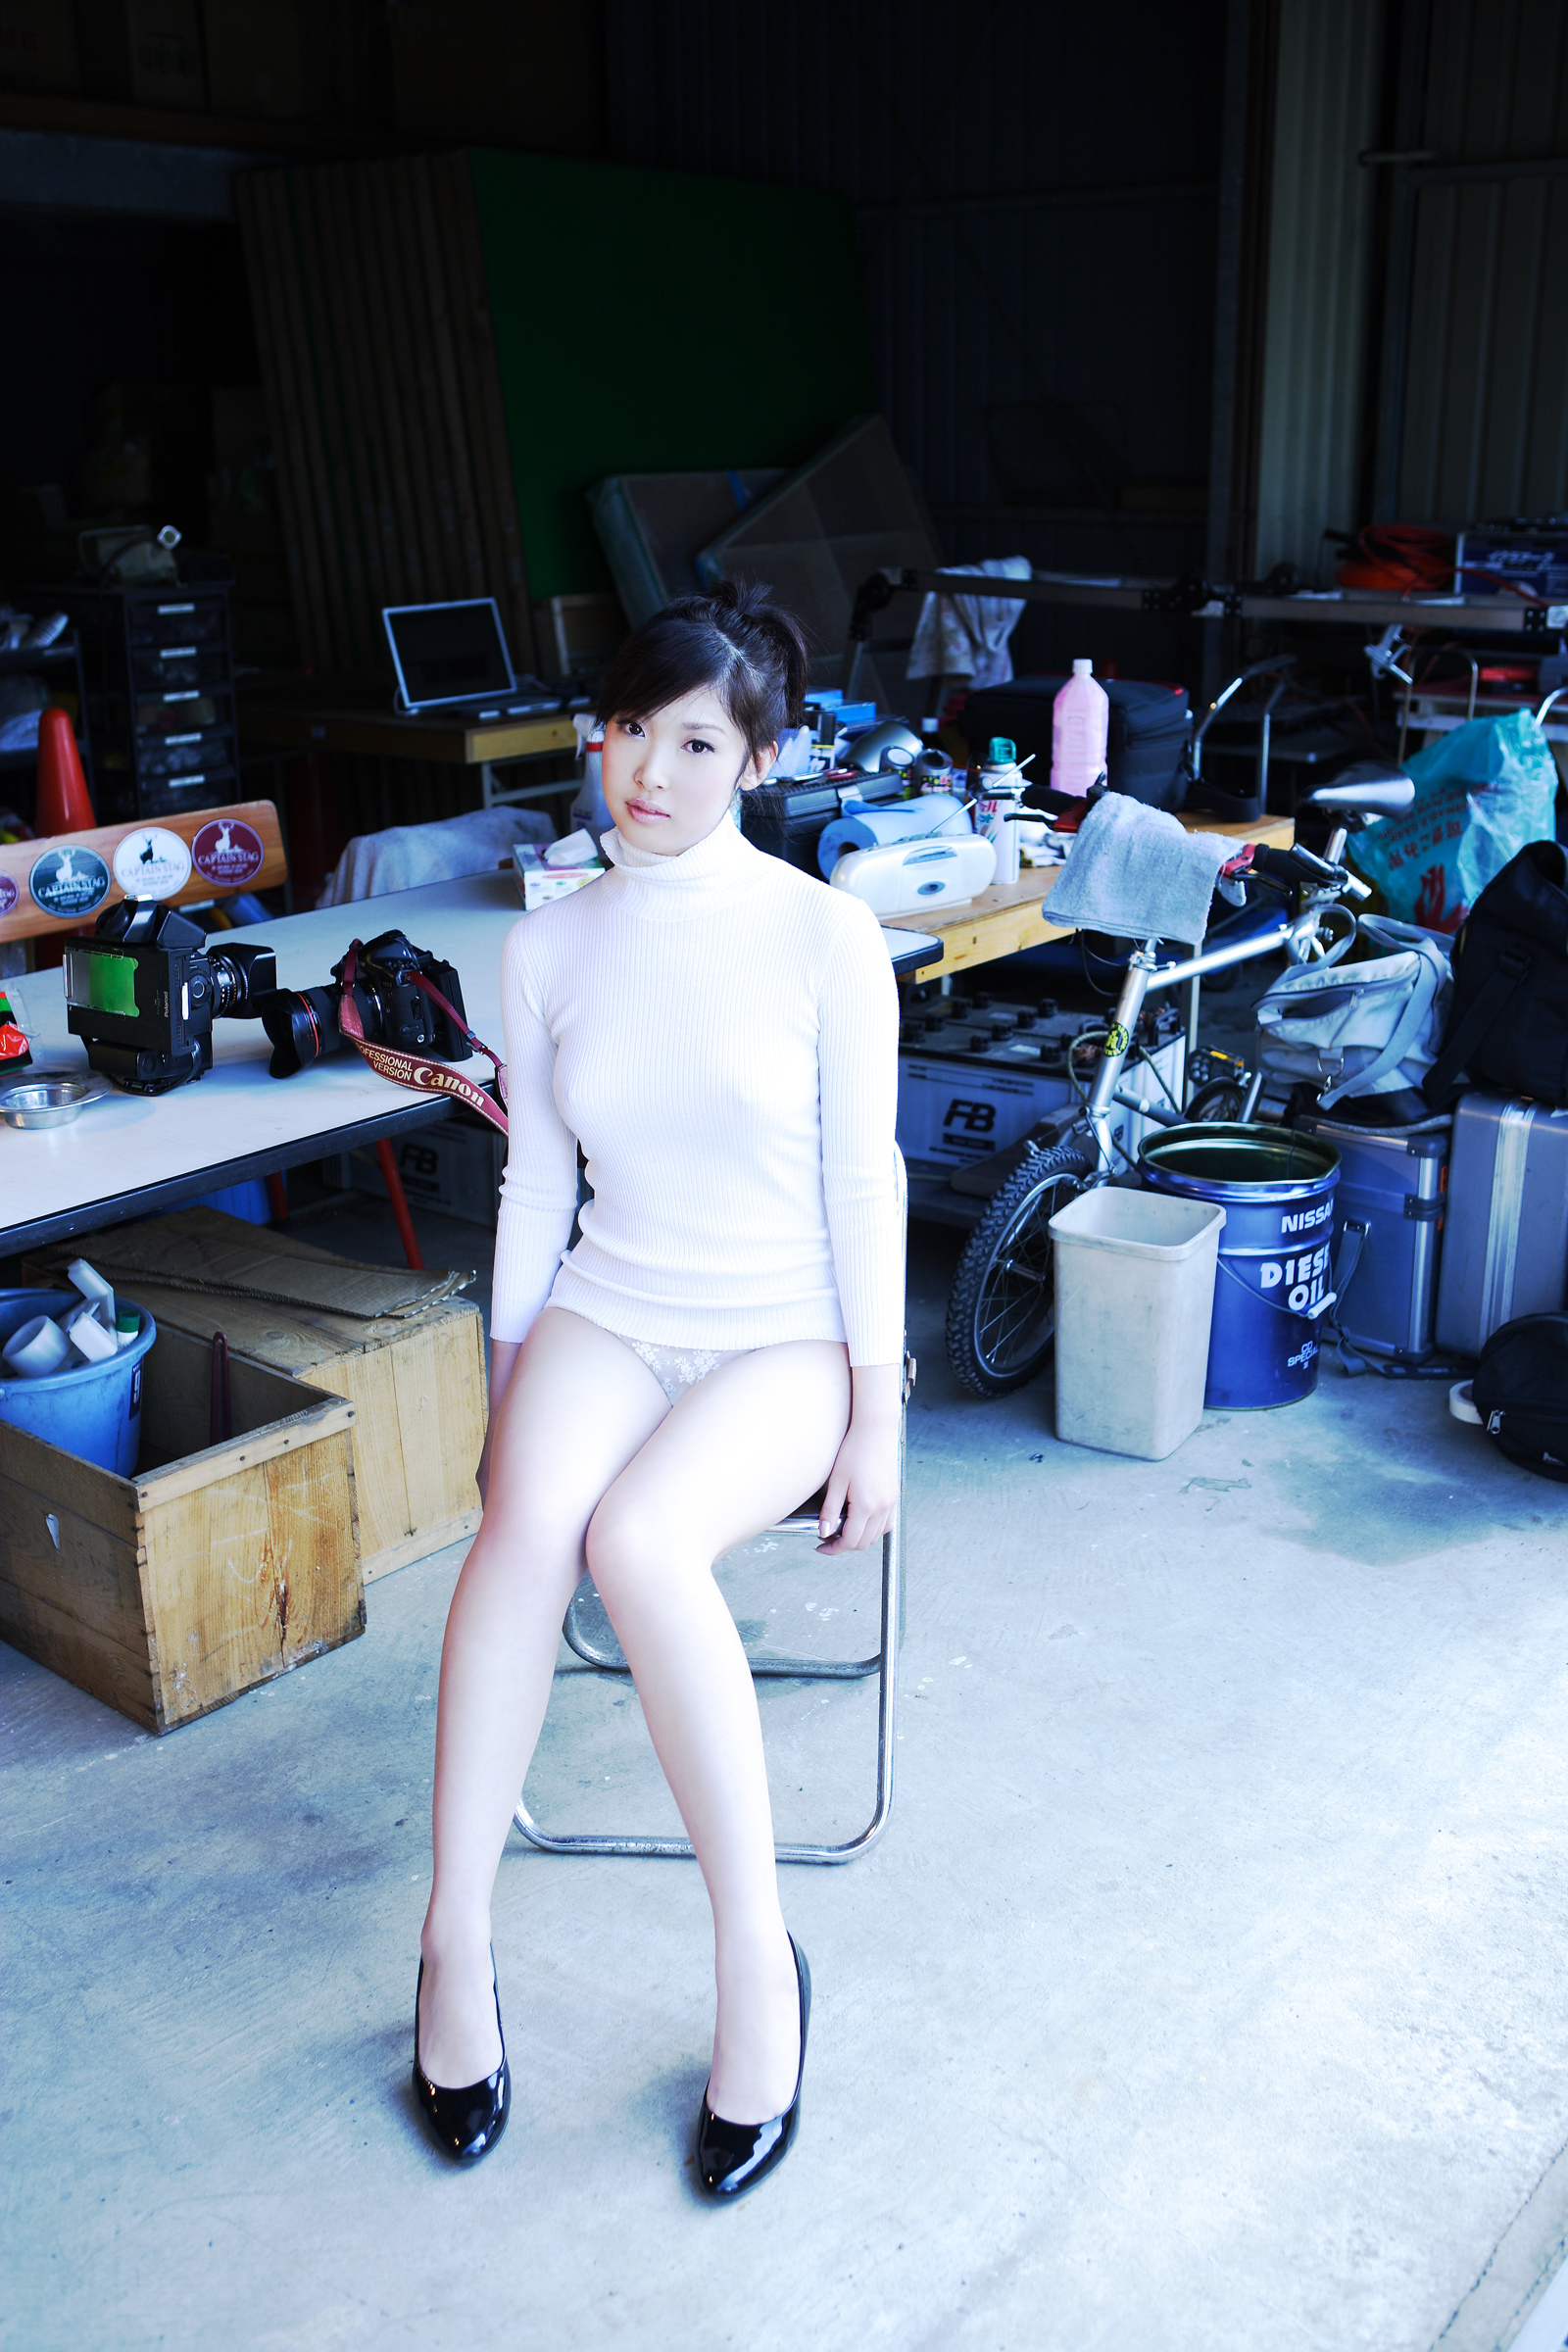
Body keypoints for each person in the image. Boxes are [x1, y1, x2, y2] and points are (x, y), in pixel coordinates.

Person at [413, 583, 904, 2198]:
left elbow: (867, 1183)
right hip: (614, 1309)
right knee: (521, 1531)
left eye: (696, 742)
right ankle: (452, 1944)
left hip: (787, 1333)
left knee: (637, 1543)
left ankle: (758, 1966)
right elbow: (537, 1186)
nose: (649, 771)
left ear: (760, 759)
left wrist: (879, 1411)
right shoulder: (546, 944)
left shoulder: (824, 935)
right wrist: (508, 1391)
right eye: (629, 730)